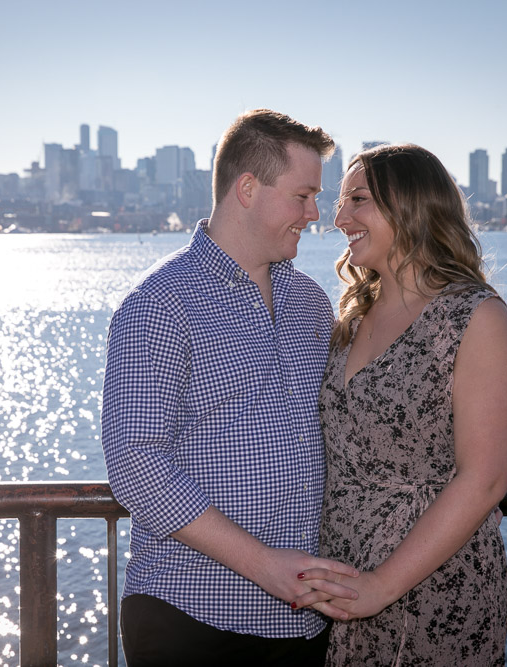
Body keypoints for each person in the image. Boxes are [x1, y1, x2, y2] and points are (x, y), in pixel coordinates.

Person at [101, 109, 359, 667]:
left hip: (301, 622)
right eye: (303, 195)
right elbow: (135, 462)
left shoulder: (311, 304)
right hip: (190, 619)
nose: (316, 214)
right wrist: (265, 565)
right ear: (248, 188)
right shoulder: (160, 304)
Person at [293, 144, 507, 665]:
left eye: (357, 198)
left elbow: (485, 479)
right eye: (339, 200)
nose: (338, 216)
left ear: (411, 204)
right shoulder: (354, 317)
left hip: (432, 588)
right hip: (340, 588)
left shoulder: (474, 317)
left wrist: (381, 586)